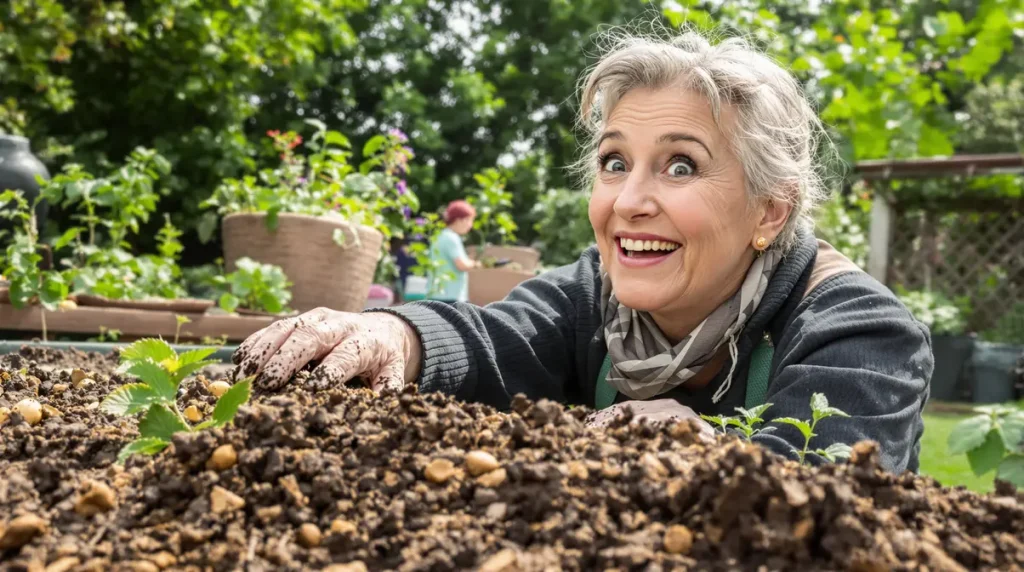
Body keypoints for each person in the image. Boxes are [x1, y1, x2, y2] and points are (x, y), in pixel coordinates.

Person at [232, 30, 932, 474]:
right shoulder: (592, 296)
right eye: (614, 162)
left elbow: (827, 500)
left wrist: (714, 453)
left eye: (681, 166)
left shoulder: (860, 332)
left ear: (770, 211)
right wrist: (394, 335)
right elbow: (492, 339)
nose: (629, 200)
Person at [426, 200, 480, 303]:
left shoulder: (441, 235)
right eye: (469, 220)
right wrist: (475, 264)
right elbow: (462, 265)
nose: (470, 225)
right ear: (459, 220)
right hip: (450, 297)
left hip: (437, 294)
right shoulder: (452, 238)